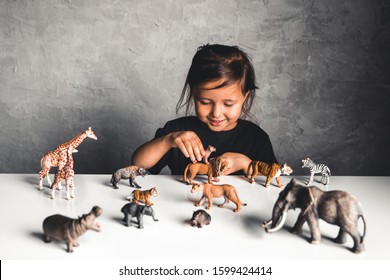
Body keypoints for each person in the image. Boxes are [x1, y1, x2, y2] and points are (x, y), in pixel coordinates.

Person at [131, 44, 278, 175]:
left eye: (228, 104)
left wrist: (246, 163)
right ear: (194, 93)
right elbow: (136, 165)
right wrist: (167, 141)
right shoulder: (177, 131)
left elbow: (273, 182)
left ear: (244, 97)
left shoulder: (256, 138)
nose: (216, 113)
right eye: (205, 102)